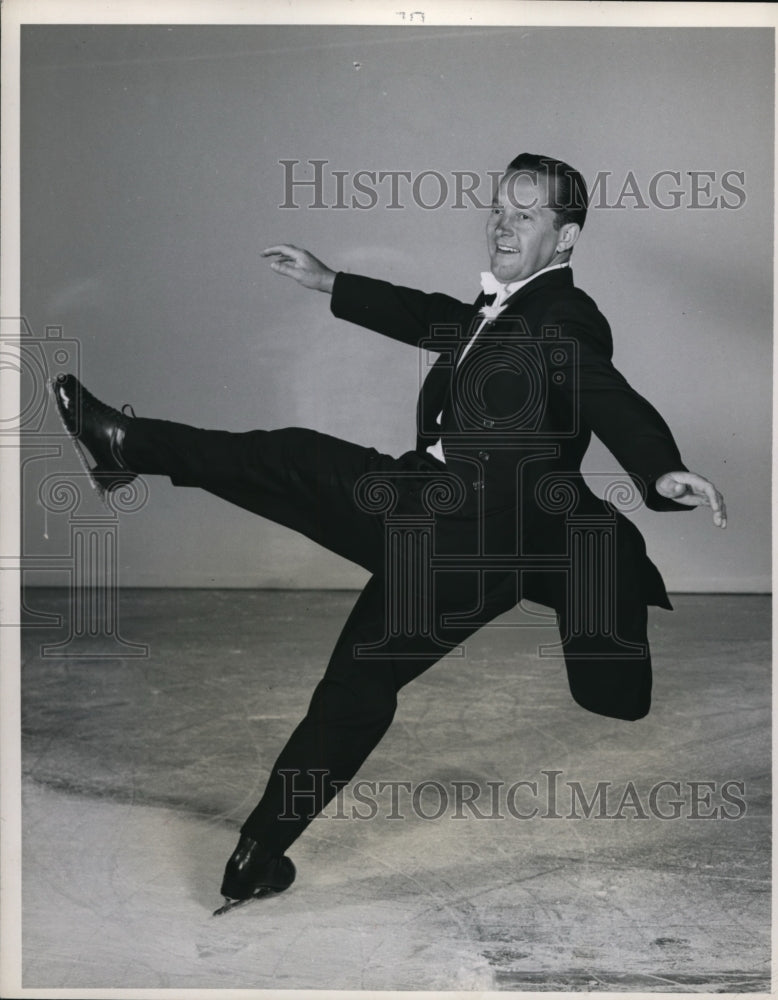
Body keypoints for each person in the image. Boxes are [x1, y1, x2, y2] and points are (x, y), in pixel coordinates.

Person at [51, 152, 726, 913]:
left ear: (564, 239)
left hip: (451, 518)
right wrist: (328, 281)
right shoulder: (492, 311)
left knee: (292, 459)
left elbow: (605, 392)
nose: (502, 222)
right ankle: (257, 856)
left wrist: (660, 468)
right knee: (356, 690)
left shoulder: (565, 317)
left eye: (525, 214)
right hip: (469, 557)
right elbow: (423, 314)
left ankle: (124, 447)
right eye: (498, 206)